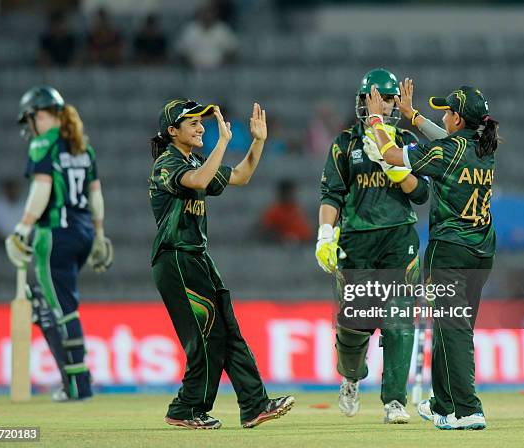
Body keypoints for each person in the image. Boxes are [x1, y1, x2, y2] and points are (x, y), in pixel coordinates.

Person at [148, 99, 295, 429]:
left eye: (202, 122)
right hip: (176, 258)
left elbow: (241, 176)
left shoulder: (195, 160)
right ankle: (185, 409)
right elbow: (198, 181)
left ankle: (255, 405)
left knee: (228, 332)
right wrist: (225, 142)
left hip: (197, 257)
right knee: (205, 337)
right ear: (172, 132)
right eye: (193, 123)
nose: (201, 128)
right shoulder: (166, 164)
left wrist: (258, 140)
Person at [365, 79, 499, 430]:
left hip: (450, 252)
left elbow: (392, 156)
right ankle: (443, 404)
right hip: (481, 251)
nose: (445, 118)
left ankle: (467, 409)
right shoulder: (485, 148)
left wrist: (378, 121)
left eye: (447, 112)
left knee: (452, 329)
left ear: (456, 118)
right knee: (452, 327)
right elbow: (446, 141)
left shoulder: (446, 152)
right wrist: (414, 117)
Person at [316, 68, 429, 424]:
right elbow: (331, 193)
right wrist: (324, 233)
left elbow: (423, 193)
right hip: (356, 241)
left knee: (399, 320)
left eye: (388, 98)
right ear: (364, 101)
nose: (382, 103)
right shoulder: (344, 144)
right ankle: (351, 377)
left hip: (399, 240)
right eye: (375, 97)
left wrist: (398, 170)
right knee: (354, 323)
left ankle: (394, 401)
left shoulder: (406, 140)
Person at [5, 85, 113, 402]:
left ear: (41, 114)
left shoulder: (43, 143)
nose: (30, 128)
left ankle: (79, 386)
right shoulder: (82, 146)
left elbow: (41, 189)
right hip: (82, 234)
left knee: (62, 309)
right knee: (43, 302)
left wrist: (22, 227)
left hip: (53, 234)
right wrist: (100, 233)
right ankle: (72, 380)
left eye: (31, 119)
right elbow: (96, 194)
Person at [177, 4, 238, 70]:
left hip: (219, 70)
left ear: (215, 15)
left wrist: (224, 64)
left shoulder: (223, 30)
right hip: (193, 71)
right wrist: (188, 65)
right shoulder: (190, 30)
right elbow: (182, 52)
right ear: (199, 14)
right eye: (204, 13)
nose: (207, 16)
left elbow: (232, 51)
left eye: (210, 13)